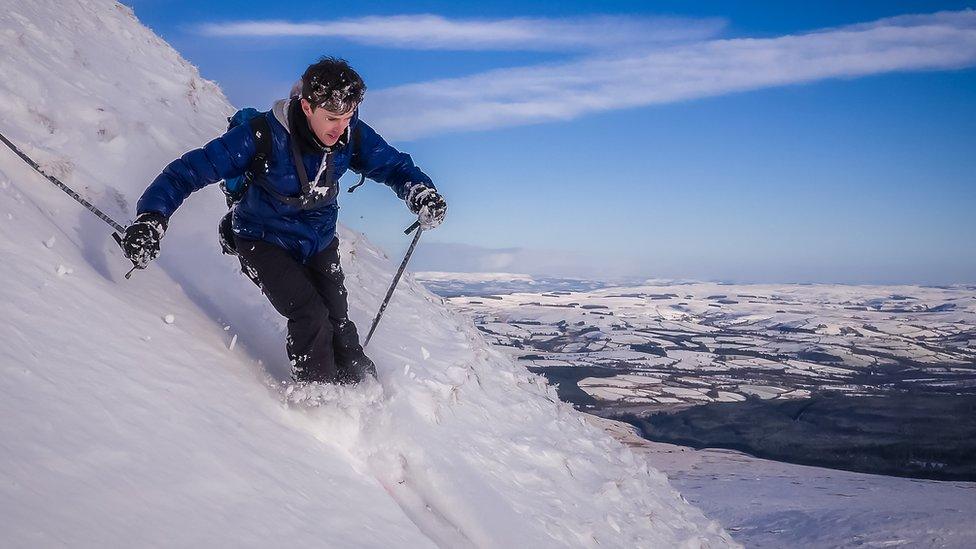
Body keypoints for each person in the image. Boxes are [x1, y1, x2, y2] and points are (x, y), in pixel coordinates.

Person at [121, 57, 447, 384]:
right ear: (306, 106)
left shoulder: (352, 135)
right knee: (310, 315)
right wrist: (151, 218)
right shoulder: (261, 135)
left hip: (317, 240)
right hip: (261, 239)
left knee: (340, 324)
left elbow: (393, 166)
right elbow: (187, 172)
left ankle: (366, 394)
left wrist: (420, 191)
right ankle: (320, 404)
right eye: (332, 118)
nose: (340, 128)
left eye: (348, 117)